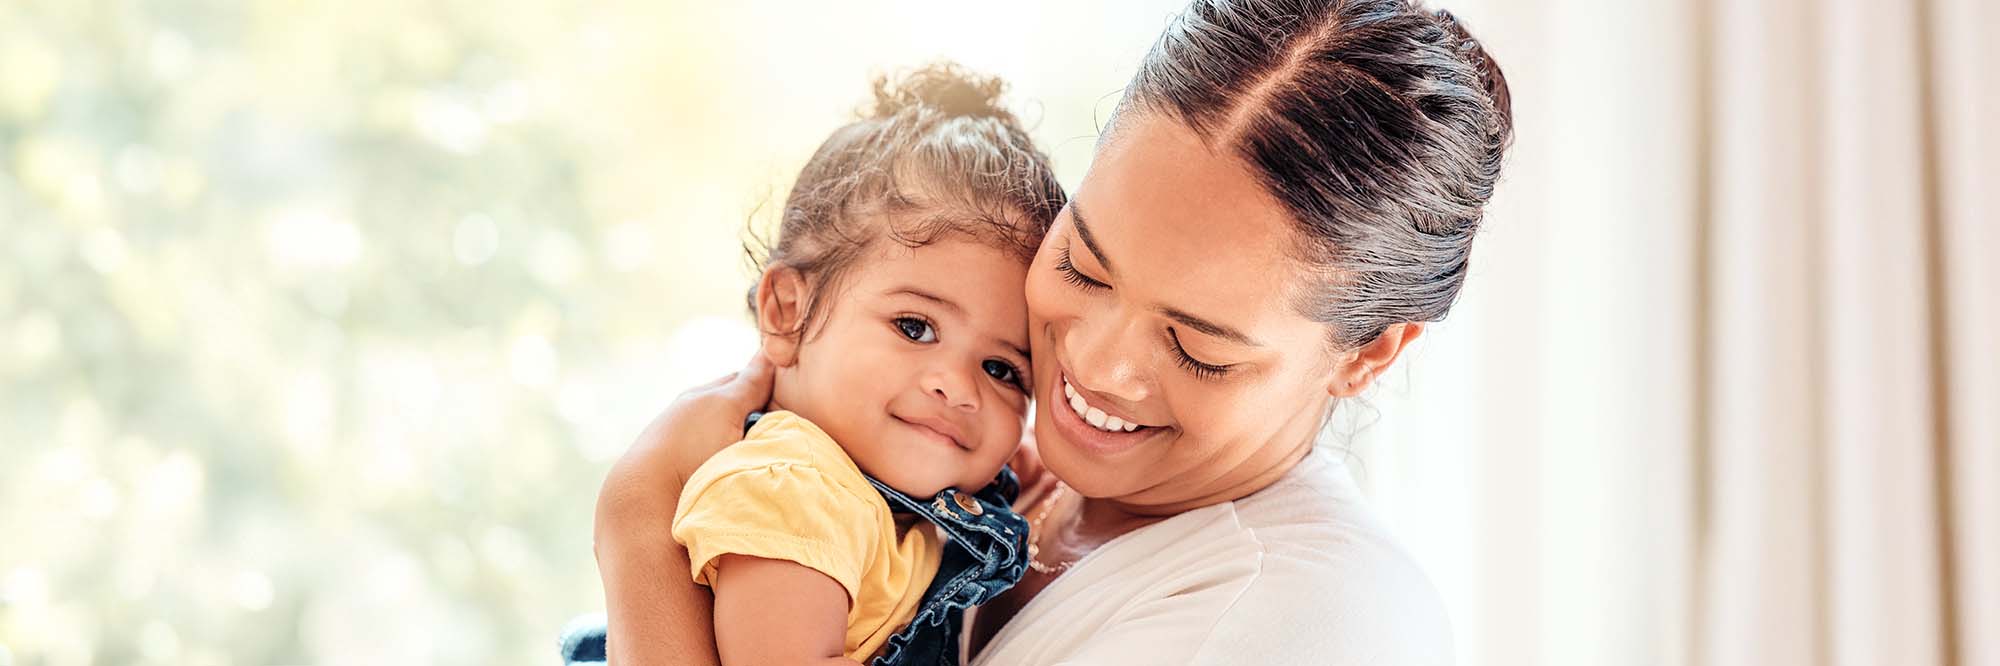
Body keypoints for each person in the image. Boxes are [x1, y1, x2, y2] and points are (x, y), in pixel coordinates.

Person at [590, 0, 1513, 663]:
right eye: (1083, 263)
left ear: (1369, 351)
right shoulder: (996, 488)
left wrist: (638, 533)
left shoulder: (1310, 623)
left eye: (1198, 346)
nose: (1095, 365)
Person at [565, 64, 1065, 665]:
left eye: (1002, 370)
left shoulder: (881, 490)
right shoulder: (796, 491)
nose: (958, 387)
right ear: (787, 312)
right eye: (915, 327)